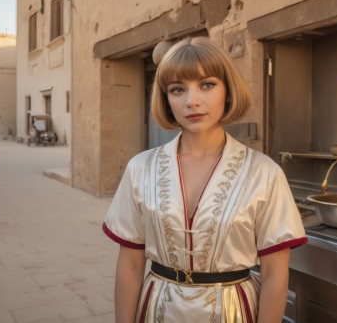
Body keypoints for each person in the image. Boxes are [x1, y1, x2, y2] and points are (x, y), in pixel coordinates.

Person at [102, 36, 307, 322]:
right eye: (177, 89)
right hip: (157, 311)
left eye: (207, 85)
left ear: (227, 90)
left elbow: (275, 273)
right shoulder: (140, 169)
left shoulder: (265, 172)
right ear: (166, 98)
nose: (192, 101)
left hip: (233, 311)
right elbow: (131, 265)